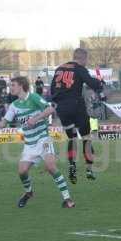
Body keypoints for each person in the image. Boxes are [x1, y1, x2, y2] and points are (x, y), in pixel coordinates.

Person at [0, 76, 75, 208]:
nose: (11, 87)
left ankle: (67, 199)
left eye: (13, 85)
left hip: (43, 139)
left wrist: (36, 118)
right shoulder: (14, 106)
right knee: (22, 171)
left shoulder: (33, 97)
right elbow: (3, 123)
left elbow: (50, 109)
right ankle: (29, 193)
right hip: (29, 144)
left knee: (51, 167)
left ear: (21, 86)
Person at [51, 48, 104, 184]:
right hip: (76, 106)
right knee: (86, 137)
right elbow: (91, 83)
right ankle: (89, 169)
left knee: (72, 138)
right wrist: (100, 83)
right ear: (83, 58)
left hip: (62, 109)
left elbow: (52, 90)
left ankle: (72, 167)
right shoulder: (79, 68)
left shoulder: (59, 68)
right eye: (86, 60)